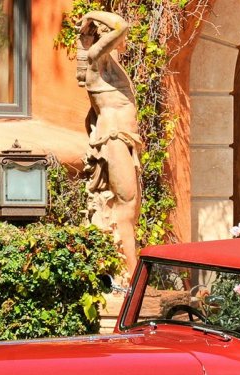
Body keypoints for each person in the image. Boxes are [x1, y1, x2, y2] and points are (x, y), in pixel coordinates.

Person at [76, 10, 143, 277]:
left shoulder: (112, 72)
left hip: (126, 140)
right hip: (113, 138)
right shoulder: (94, 62)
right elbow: (121, 26)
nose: (122, 42)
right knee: (126, 204)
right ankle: (131, 275)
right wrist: (91, 16)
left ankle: (125, 271)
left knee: (130, 208)